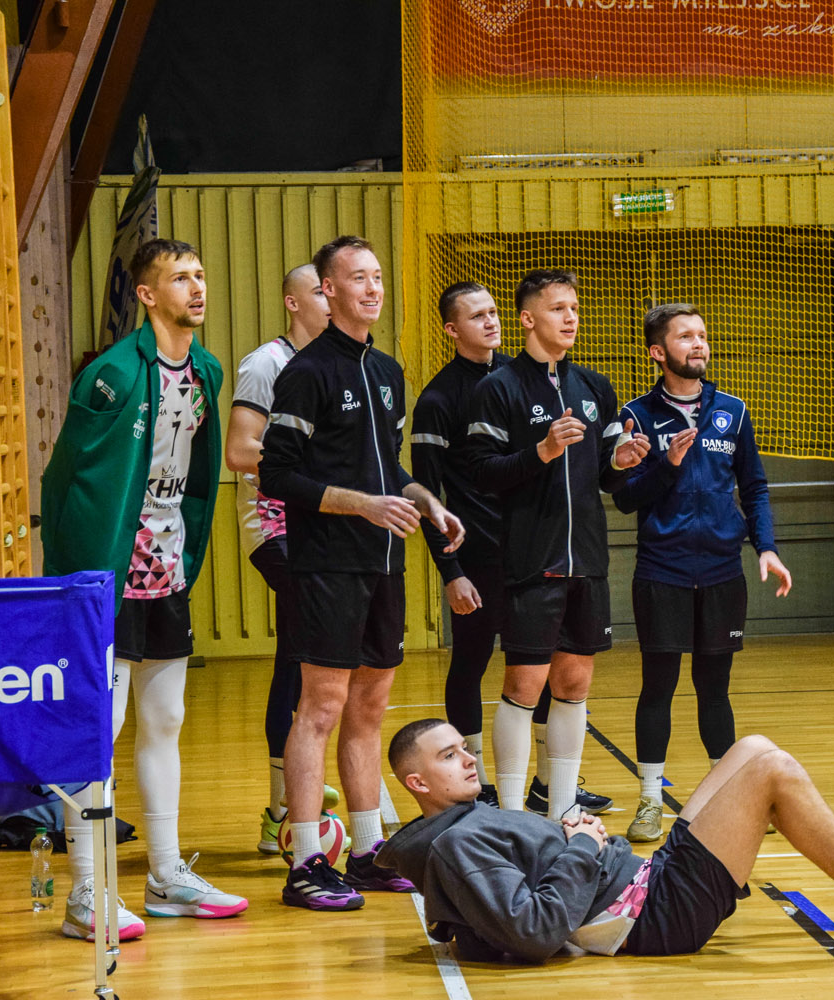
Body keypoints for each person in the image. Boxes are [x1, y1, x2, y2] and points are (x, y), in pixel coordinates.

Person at [40, 238, 248, 940]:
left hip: (166, 568)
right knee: (100, 727)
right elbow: (65, 479)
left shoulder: (207, 370)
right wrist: (76, 580)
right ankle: (87, 892)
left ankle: (165, 874)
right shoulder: (111, 374)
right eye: (180, 278)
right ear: (147, 295)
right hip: (107, 574)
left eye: (200, 274)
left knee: (166, 719)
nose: (197, 286)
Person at [380, 719, 834, 961]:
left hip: (647, 882)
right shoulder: (456, 843)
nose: (469, 759)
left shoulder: (464, 826)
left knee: (755, 747)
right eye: (449, 756)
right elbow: (532, 932)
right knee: (773, 771)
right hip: (656, 915)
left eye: (464, 748)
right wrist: (582, 845)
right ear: (416, 783)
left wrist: (572, 841)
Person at [259, 235, 466, 910]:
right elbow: (276, 473)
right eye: (358, 278)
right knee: (319, 708)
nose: (373, 288)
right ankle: (305, 861)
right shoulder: (306, 373)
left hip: (383, 563)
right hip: (325, 563)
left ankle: (369, 849)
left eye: (377, 276)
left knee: (370, 708)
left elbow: (388, 468)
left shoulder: (386, 371)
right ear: (328, 290)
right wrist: (362, 505)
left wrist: (427, 502)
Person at [410, 281, 612, 815]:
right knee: (484, 664)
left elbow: (602, 473)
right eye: (477, 316)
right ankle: (483, 787)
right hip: (487, 554)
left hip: (558, 551)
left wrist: (626, 461)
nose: (490, 322)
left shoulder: (567, 382)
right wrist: (451, 569)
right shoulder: (448, 397)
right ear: (452, 330)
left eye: (493, 312)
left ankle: (554, 791)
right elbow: (437, 490)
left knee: (561, 677)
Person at [463, 270, 650, 819]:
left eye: (574, 308)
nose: (571, 318)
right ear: (527, 319)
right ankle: (512, 816)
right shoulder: (498, 389)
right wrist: (541, 452)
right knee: (525, 684)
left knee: (574, 683)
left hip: (587, 561)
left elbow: (607, 476)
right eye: (557, 308)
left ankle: (563, 811)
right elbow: (480, 473)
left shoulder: (594, 387)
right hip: (530, 560)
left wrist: (621, 461)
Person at [612, 303, 793, 843]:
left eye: (702, 335)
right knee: (658, 687)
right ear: (657, 352)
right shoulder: (635, 416)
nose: (699, 344)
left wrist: (766, 547)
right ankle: (650, 801)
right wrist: (666, 466)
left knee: (715, 690)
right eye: (685, 336)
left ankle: (730, 798)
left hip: (721, 571)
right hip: (661, 571)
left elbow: (754, 487)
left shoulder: (732, 411)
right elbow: (625, 498)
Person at [224, 263, 340, 854]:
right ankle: (282, 809)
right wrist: (319, 459)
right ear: (293, 303)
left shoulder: (336, 364)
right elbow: (239, 450)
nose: (331, 300)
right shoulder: (266, 363)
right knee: (299, 656)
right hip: (275, 528)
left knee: (307, 658)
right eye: (319, 291)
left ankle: (290, 797)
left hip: (322, 527)